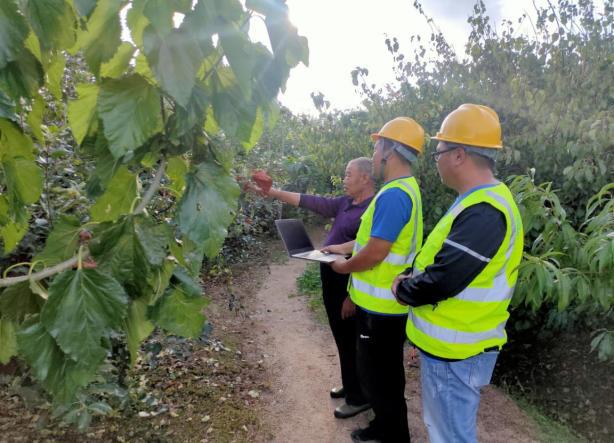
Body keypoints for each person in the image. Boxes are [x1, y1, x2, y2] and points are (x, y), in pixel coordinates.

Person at [391, 104, 524, 443]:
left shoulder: (484, 210)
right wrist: (412, 274)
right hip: (454, 347)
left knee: (451, 435)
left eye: (439, 152)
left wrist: (403, 290)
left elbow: (445, 279)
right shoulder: (477, 200)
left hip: (457, 351)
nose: (436, 160)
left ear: (460, 155)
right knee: (446, 429)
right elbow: (441, 260)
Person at [248, 157, 375, 419]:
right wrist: (271, 192)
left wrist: (352, 295)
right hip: (331, 274)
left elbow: (368, 249)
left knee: (350, 336)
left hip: (350, 280)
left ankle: (359, 396)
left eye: (349, 174)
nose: (344, 178)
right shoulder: (345, 203)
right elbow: (308, 200)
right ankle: (352, 382)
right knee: (341, 335)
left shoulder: (374, 208)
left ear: (365, 178)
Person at [327, 117, 425, 442]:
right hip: (382, 306)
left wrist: (345, 266)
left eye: (376, 146)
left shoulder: (395, 195)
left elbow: (377, 251)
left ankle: (391, 435)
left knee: (378, 377)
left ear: (391, 151)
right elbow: (372, 238)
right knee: (384, 376)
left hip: (381, 309)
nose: (373, 154)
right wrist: (341, 246)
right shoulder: (398, 191)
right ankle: (385, 429)